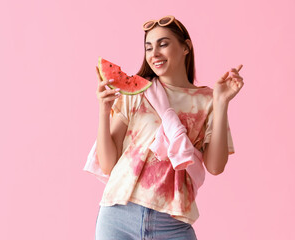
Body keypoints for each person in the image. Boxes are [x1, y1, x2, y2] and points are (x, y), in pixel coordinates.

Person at [90, 15, 244, 240]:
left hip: (172, 224)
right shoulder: (138, 92)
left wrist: (221, 104)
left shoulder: (208, 101)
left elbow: (215, 166)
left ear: (185, 48)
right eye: (148, 47)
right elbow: (107, 164)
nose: (154, 54)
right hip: (118, 215)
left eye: (163, 44)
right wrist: (104, 111)